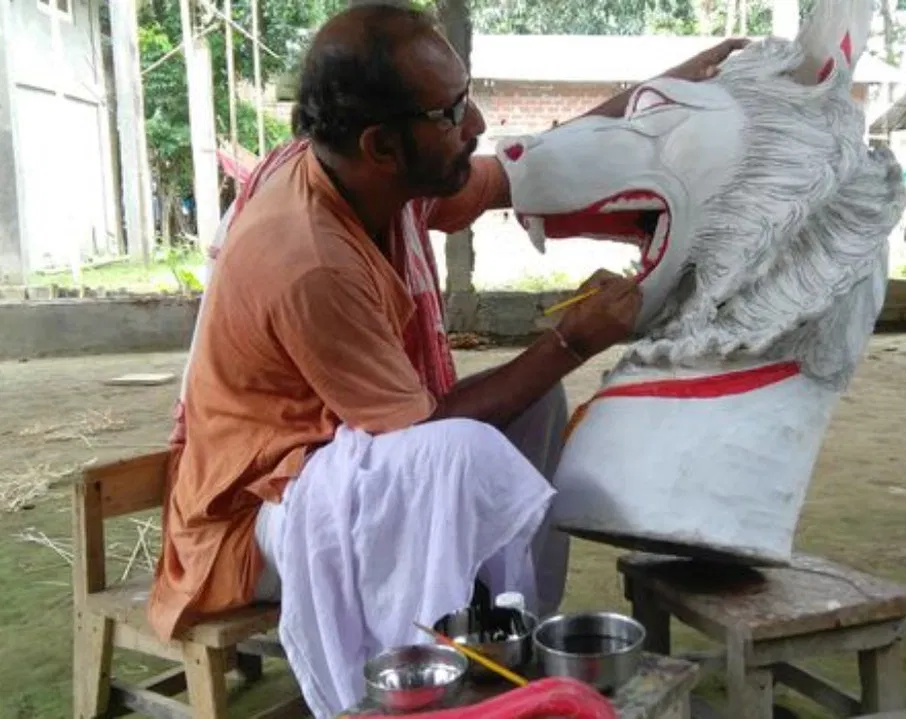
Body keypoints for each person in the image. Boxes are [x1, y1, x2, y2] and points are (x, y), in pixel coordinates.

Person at [149, 2, 745, 714]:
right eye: (452, 111)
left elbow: (541, 160)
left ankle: (513, 628)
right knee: (461, 450)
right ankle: (438, 658)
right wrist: (572, 340)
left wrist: (655, 97)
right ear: (381, 145)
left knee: (534, 404)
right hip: (261, 516)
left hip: (341, 460)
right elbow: (427, 426)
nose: (478, 126)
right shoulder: (309, 258)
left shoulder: (383, 182)